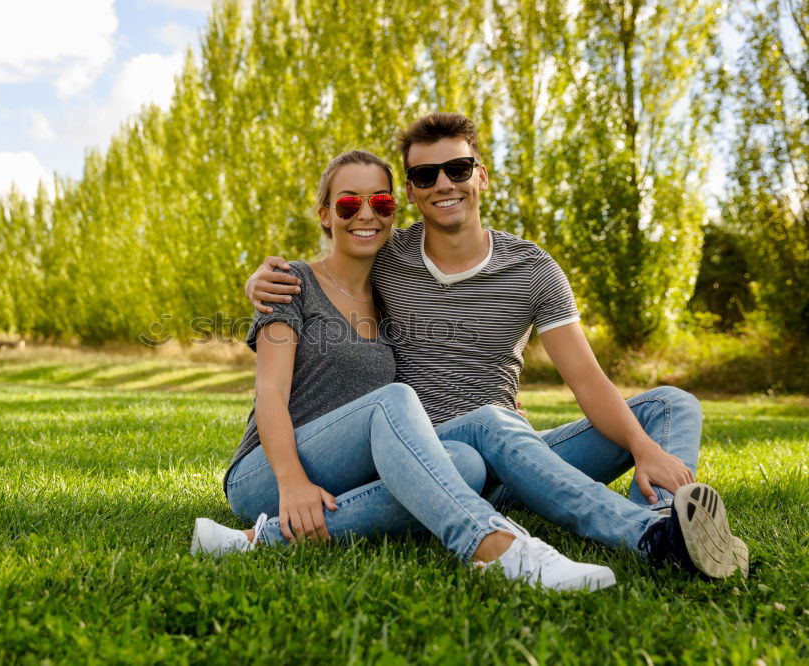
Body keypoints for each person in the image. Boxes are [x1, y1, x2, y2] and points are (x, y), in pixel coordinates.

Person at [242, 113, 748, 579]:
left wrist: (642, 446)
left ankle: (669, 522)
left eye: (458, 168)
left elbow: (588, 380)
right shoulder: (388, 255)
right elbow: (328, 270)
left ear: (481, 176)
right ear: (414, 196)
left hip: (516, 448)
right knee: (485, 428)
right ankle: (650, 537)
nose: (444, 183)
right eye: (424, 177)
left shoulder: (532, 268)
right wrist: (262, 280)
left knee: (671, 405)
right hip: (438, 454)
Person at [192, 150, 619, 592]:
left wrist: (503, 397)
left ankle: (259, 541)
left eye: (381, 203)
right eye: (347, 204)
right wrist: (293, 481)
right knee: (393, 400)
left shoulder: (391, 297)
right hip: (266, 475)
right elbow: (270, 394)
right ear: (325, 215)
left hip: (348, 477)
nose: (365, 215)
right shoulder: (291, 284)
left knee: (465, 465)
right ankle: (495, 546)